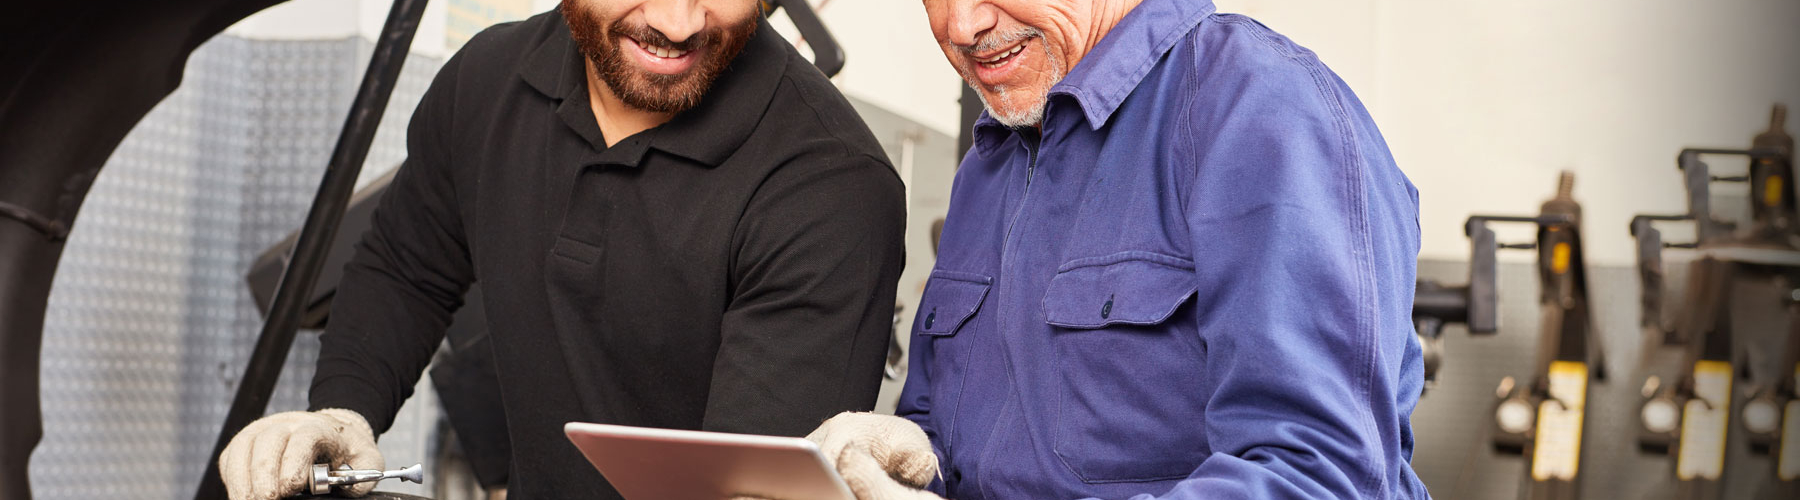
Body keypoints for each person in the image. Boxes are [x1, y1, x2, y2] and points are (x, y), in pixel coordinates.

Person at [217, 0, 906, 498]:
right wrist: (342, 412)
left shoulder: (830, 183)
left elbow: (744, 484)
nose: (679, 23)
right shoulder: (485, 81)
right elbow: (406, 266)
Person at [805, 0, 1429, 498]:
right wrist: (897, 458)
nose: (963, 24)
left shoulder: (1262, 107)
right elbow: (959, 448)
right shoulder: (988, 166)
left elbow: (1322, 476)